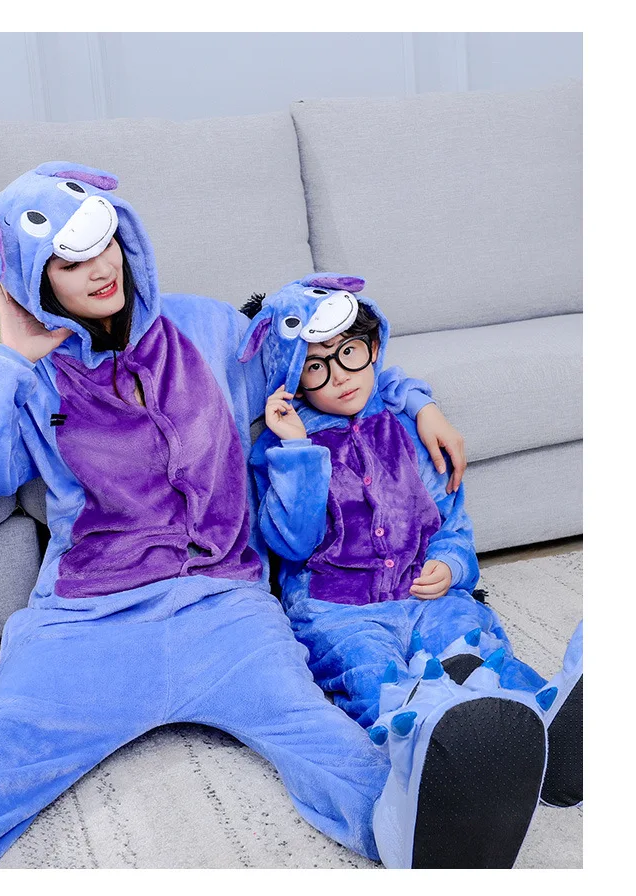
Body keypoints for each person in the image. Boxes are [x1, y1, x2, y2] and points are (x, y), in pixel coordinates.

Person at [0, 163, 470, 869]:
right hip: (89, 621)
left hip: (228, 610)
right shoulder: (30, 378)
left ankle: (437, 840)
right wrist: (8, 363)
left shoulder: (209, 327)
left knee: (334, 749)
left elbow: (321, 360)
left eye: (105, 243)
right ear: (33, 282)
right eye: (68, 262)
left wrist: (417, 400)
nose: (100, 269)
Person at [244, 274, 583, 868]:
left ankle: (545, 732)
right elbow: (290, 543)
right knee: (371, 677)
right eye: (316, 366)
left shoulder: (406, 426)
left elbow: (451, 524)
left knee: (473, 644)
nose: (340, 375)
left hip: (426, 593)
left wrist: (451, 566)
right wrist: (296, 451)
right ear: (291, 378)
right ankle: (437, 741)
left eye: (350, 353)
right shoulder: (281, 448)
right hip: (339, 609)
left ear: (373, 346)